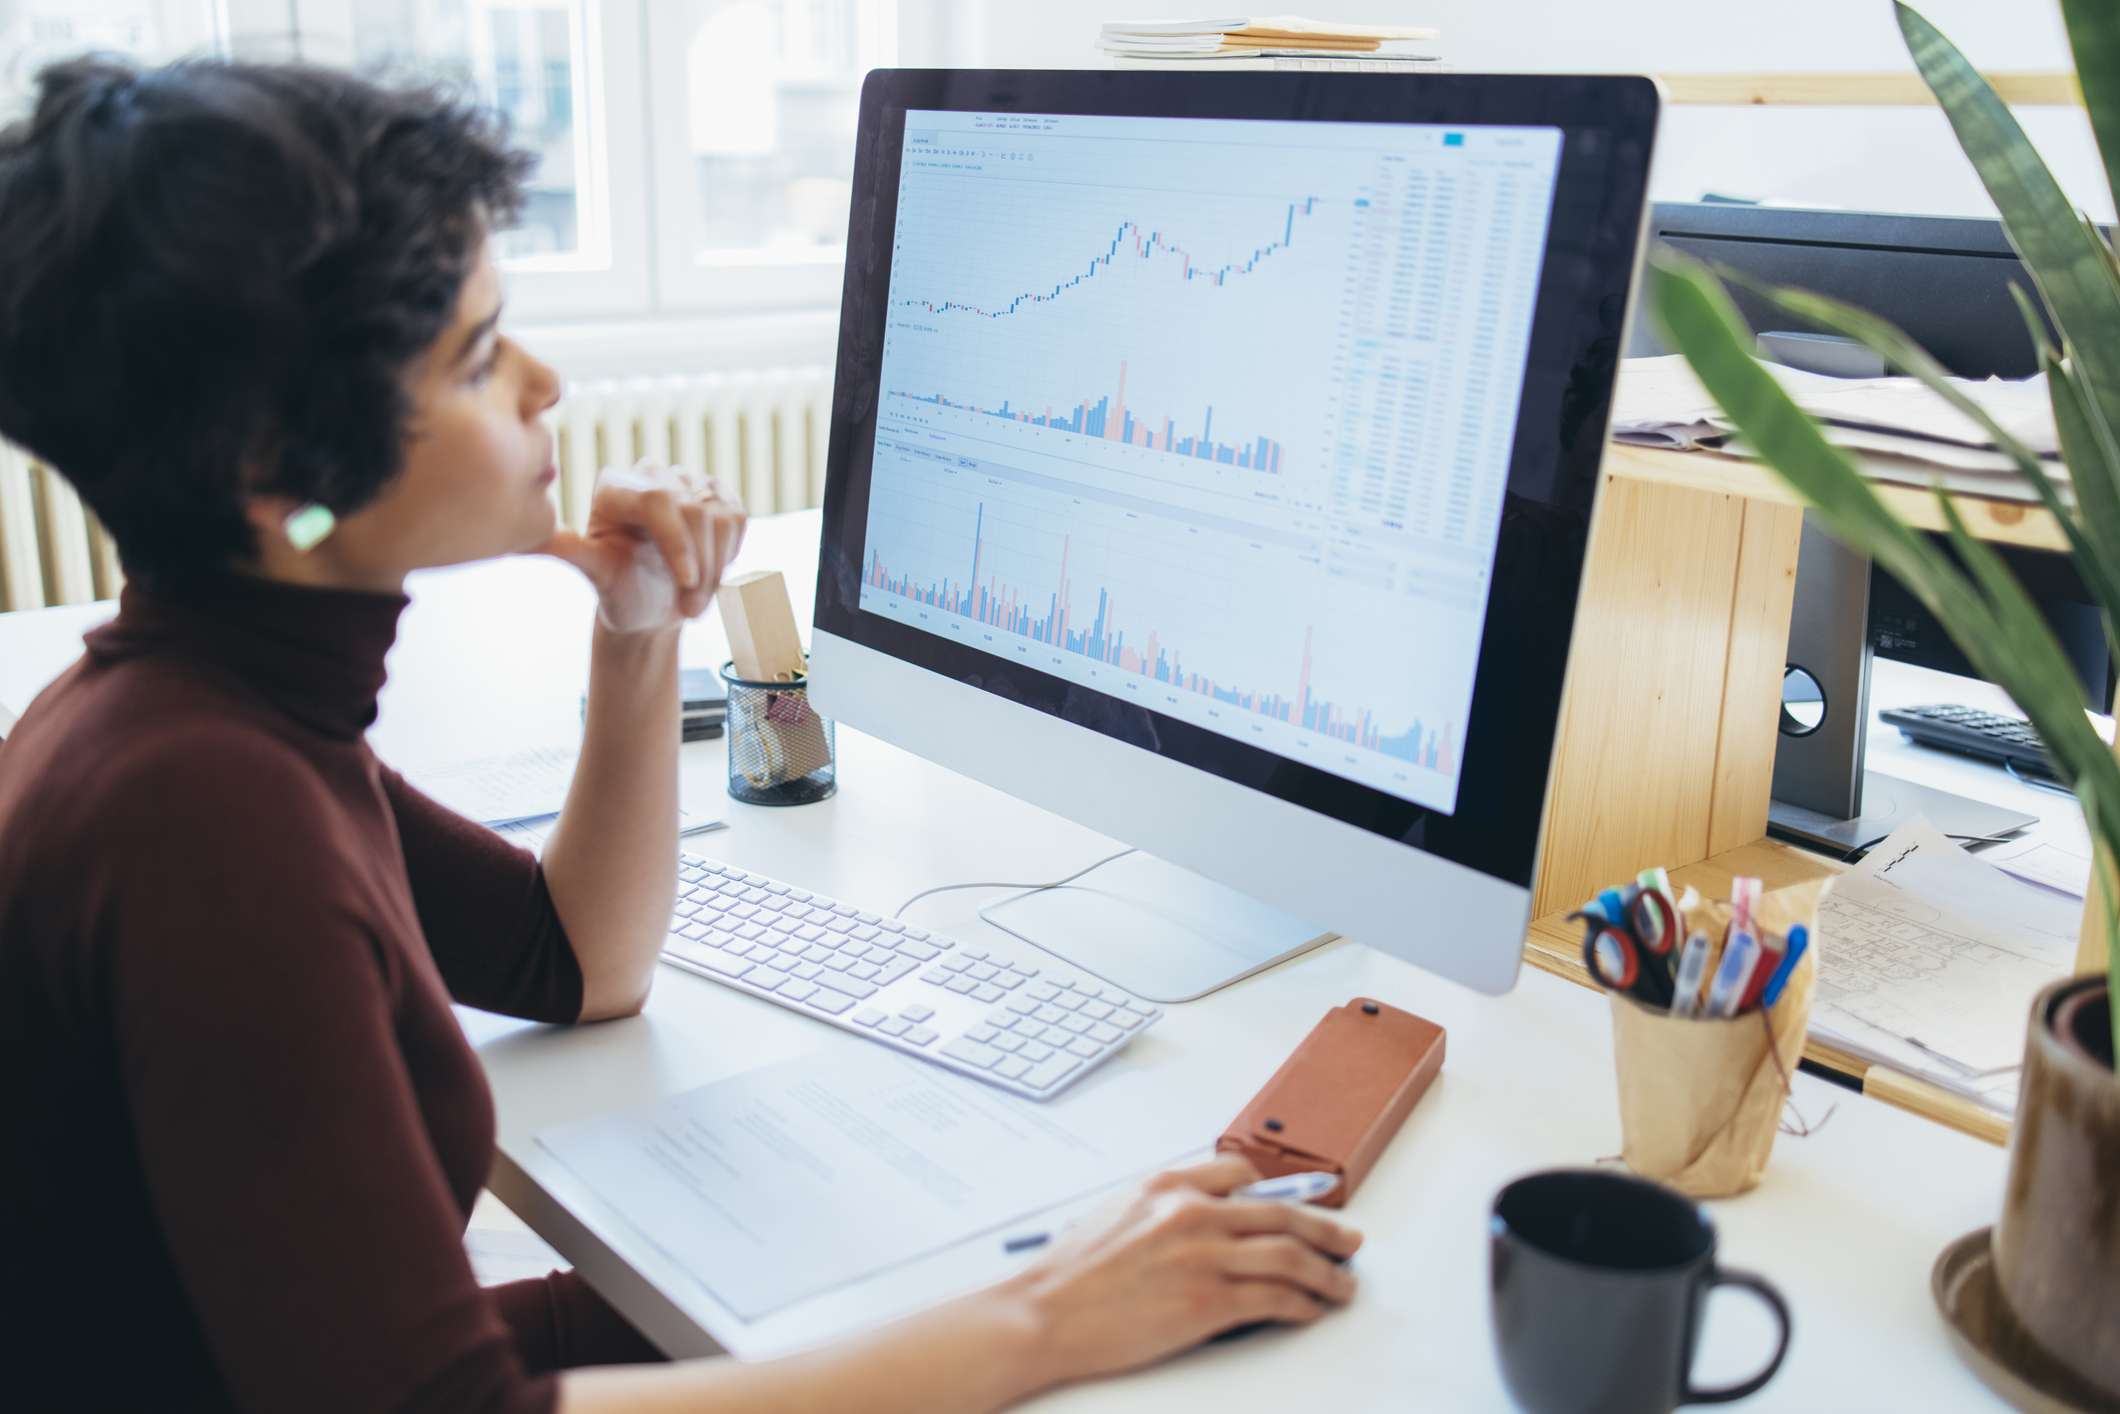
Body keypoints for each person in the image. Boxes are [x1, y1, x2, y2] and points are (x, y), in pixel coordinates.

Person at [0, 57, 1361, 1412]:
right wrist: (1040, 1323)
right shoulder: (206, 816)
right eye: (478, 356)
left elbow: (578, 958)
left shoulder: (212, 708)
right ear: (274, 468)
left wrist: (641, 624)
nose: (543, 383)